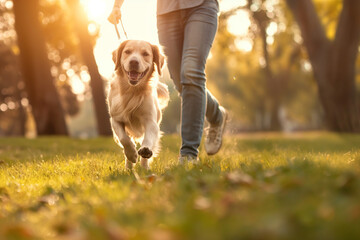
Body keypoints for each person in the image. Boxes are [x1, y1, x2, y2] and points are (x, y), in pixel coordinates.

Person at [108, 0, 227, 164]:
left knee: (191, 72)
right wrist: (117, 5)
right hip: (166, 12)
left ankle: (188, 154)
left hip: (201, 6)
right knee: (181, 82)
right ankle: (217, 115)